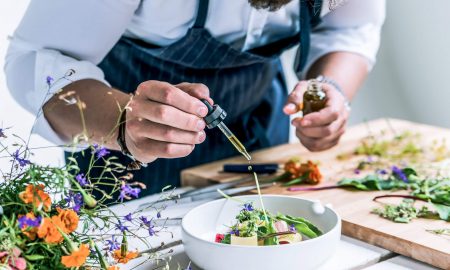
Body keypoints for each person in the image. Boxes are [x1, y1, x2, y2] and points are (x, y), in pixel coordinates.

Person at [5, 0, 385, 195]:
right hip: (125, 157)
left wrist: (327, 94)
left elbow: (350, 29)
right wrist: (125, 122)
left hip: (259, 127)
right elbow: (39, 60)